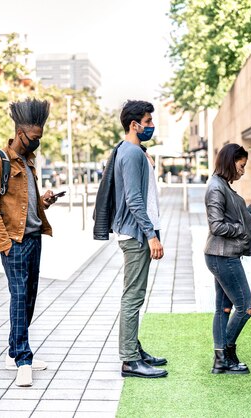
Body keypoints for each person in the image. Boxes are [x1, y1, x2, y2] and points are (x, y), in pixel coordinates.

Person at [0, 98, 58, 387]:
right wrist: (4, 243)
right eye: (34, 138)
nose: (37, 143)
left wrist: (44, 202)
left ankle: (14, 351)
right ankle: (23, 360)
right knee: (19, 297)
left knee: (30, 297)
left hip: (35, 238)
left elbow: (23, 204)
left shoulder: (28, 163)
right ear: (20, 133)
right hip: (14, 241)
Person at [111, 100, 167, 378]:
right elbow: (134, 199)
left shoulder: (134, 152)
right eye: (148, 122)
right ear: (134, 125)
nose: (151, 126)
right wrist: (151, 235)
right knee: (133, 296)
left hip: (136, 233)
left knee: (135, 294)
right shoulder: (131, 153)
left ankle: (134, 348)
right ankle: (130, 360)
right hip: (135, 235)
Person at [204, 143, 251, 374]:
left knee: (223, 309)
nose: (243, 171)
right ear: (231, 162)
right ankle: (225, 354)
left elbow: (230, 217)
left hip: (222, 254)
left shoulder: (222, 186)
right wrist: (241, 228)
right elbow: (217, 225)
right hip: (222, 256)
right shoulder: (216, 188)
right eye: (241, 165)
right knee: (246, 306)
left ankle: (222, 360)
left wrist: (250, 211)